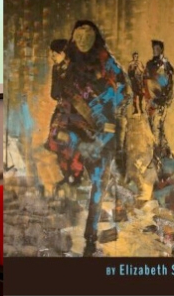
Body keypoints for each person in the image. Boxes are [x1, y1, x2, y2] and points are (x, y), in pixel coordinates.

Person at [63, 21, 126, 256]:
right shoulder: (69, 65)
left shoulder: (106, 61)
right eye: (79, 35)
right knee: (90, 178)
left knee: (99, 181)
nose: (83, 40)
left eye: (88, 35)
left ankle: (90, 234)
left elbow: (123, 89)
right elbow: (61, 95)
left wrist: (107, 100)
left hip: (105, 131)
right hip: (79, 131)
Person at [44, 38, 84, 186]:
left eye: (56, 53)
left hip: (76, 112)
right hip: (62, 110)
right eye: (52, 54)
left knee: (73, 143)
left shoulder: (76, 69)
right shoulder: (56, 69)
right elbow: (54, 94)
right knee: (56, 141)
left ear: (64, 53)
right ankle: (67, 174)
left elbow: (81, 91)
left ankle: (76, 174)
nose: (52, 57)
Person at [144, 39, 174, 148]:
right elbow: (145, 81)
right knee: (153, 126)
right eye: (154, 49)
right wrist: (147, 99)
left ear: (162, 50)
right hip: (150, 101)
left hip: (160, 101)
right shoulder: (149, 64)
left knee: (157, 127)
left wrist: (164, 100)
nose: (155, 51)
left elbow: (170, 84)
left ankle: (157, 156)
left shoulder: (166, 66)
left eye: (157, 49)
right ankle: (164, 150)